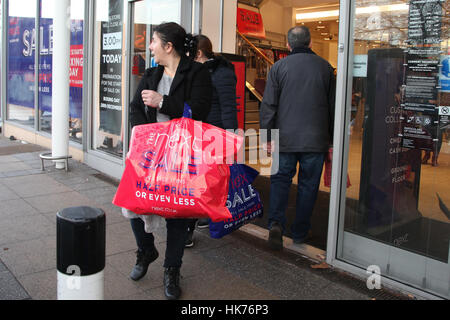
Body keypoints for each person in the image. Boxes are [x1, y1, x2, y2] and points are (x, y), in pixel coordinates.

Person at [127, 22, 212, 299]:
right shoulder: (151, 73)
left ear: (168, 46)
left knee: (177, 214)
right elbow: (135, 109)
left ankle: (171, 269)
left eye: (153, 41)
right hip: (150, 154)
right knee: (135, 204)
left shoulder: (196, 72)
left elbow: (198, 111)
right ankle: (146, 250)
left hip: (181, 155)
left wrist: (163, 101)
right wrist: (146, 136)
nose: (150, 46)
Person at [260, 26, 336, 250]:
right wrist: (331, 140)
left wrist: (267, 136)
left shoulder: (278, 67)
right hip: (316, 140)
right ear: (311, 43)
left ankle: (275, 224)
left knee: (280, 182)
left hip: (284, 139)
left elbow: (269, 105)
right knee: (308, 186)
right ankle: (301, 232)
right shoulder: (326, 68)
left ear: (287, 45)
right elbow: (333, 108)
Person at [185, 34, 238, 248]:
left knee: (207, 180)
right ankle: (199, 217)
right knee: (196, 179)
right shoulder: (194, 72)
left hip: (214, 134)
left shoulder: (222, 73)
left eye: (190, 54)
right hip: (196, 133)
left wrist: (231, 138)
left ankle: (204, 217)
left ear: (198, 53)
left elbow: (228, 107)